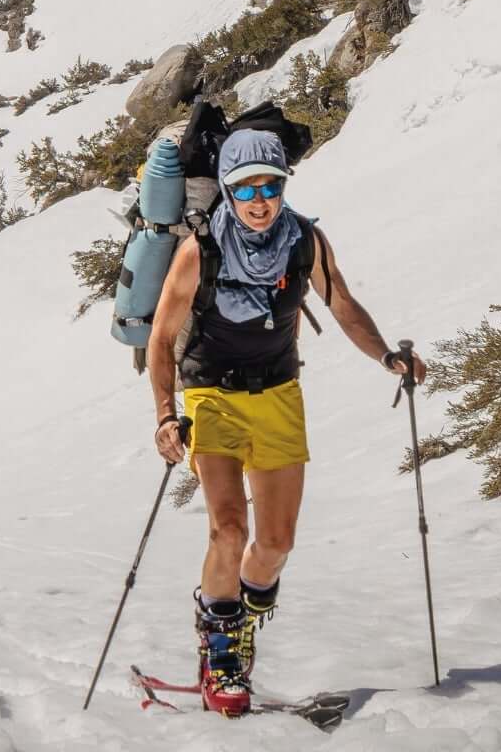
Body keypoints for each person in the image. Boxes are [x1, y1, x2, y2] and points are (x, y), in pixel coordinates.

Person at [145, 129, 426, 714]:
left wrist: (385, 355)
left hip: (278, 395)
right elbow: (162, 337)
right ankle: (220, 646)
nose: (258, 198)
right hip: (211, 397)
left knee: (275, 544)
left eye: (270, 185)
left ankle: (239, 627)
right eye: (245, 187)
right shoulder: (202, 250)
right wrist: (166, 416)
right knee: (229, 530)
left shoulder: (304, 240)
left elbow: (341, 304)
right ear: (227, 188)